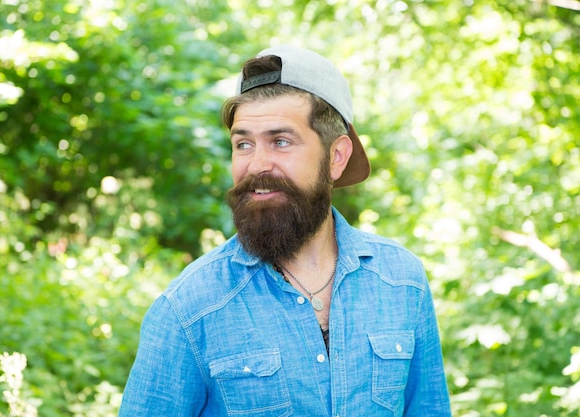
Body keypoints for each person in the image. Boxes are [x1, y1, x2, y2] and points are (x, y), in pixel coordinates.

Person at [118, 44, 452, 416]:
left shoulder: (402, 281)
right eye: (243, 144)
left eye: (281, 141)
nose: (257, 164)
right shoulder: (188, 308)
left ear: (336, 157)